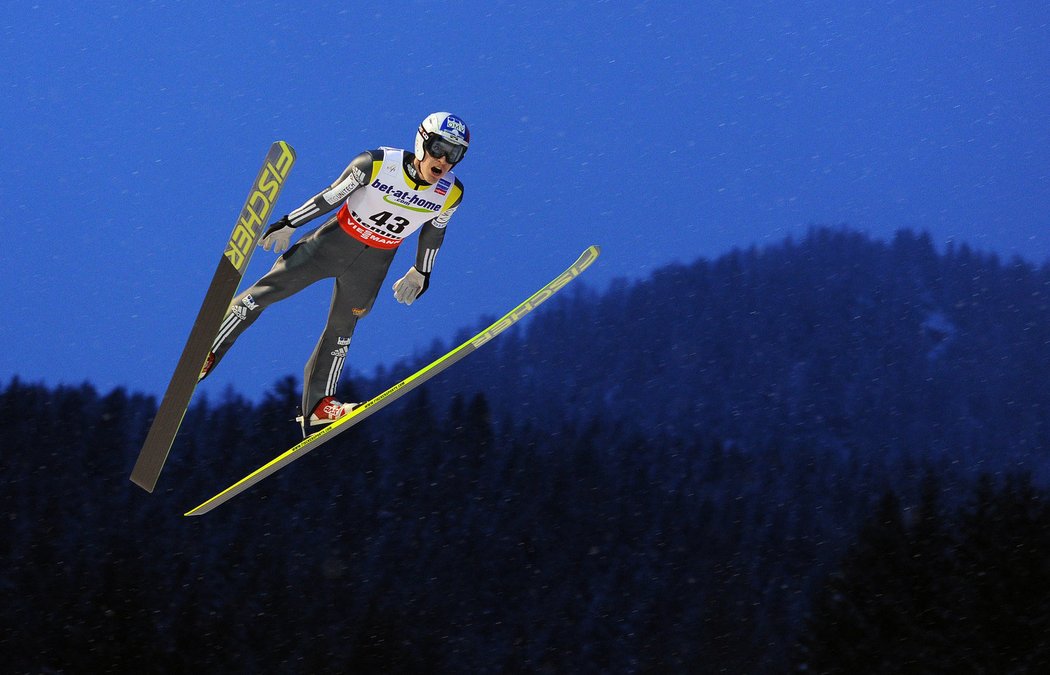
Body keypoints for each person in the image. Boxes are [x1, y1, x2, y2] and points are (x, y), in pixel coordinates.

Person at [199, 112, 469, 432]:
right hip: (332, 244)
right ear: (422, 141)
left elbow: (435, 232)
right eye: (439, 148)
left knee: (343, 328)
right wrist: (288, 223)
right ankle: (209, 348)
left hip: (375, 262)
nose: (443, 160)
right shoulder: (377, 163)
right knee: (266, 292)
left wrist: (421, 272)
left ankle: (318, 406)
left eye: (454, 154)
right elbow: (329, 197)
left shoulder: (451, 193)